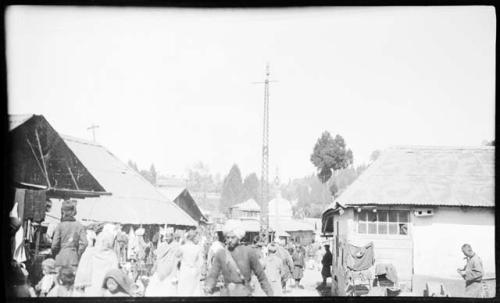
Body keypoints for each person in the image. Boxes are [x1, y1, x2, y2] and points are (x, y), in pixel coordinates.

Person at [204, 220, 273, 296]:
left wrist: (270, 294)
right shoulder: (221, 253)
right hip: (227, 294)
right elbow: (213, 275)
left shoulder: (249, 252)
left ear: (239, 237)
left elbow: (261, 276)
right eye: (227, 237)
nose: (229, 240)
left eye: (232, 237)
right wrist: (208, 287)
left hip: (244, 293)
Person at [74, 223, 119, 296]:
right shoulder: (112, 255)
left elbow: (82, 273)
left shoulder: (89, 252)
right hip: (105, 290)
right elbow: (115, 275)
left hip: (90, 288)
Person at [51, 200, 88, 272]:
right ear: (74, 212)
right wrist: (77, 253)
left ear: (63, 212)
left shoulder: (60, 226)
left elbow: (54, 245)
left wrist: (57, 254)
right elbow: (85, 243)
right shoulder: (79, 225)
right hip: (73, 259)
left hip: (61, 258)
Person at [144, 227, 181, 296]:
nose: (167, 238)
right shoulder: (162, 245)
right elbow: (158, 257)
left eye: (168, 236)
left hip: (171, 270)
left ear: (172, 236)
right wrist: (154, 267)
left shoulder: (176, 245)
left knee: (169, 289)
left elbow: (178, 258)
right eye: (166, 236)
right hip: (160, 269)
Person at [177, 229, 204, 296]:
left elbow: (177, 257)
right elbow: (201, 262)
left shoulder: (182, 247)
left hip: (184, 270)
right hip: (194, 270)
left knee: (184, 290)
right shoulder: (197, 248)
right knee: (193, 290)